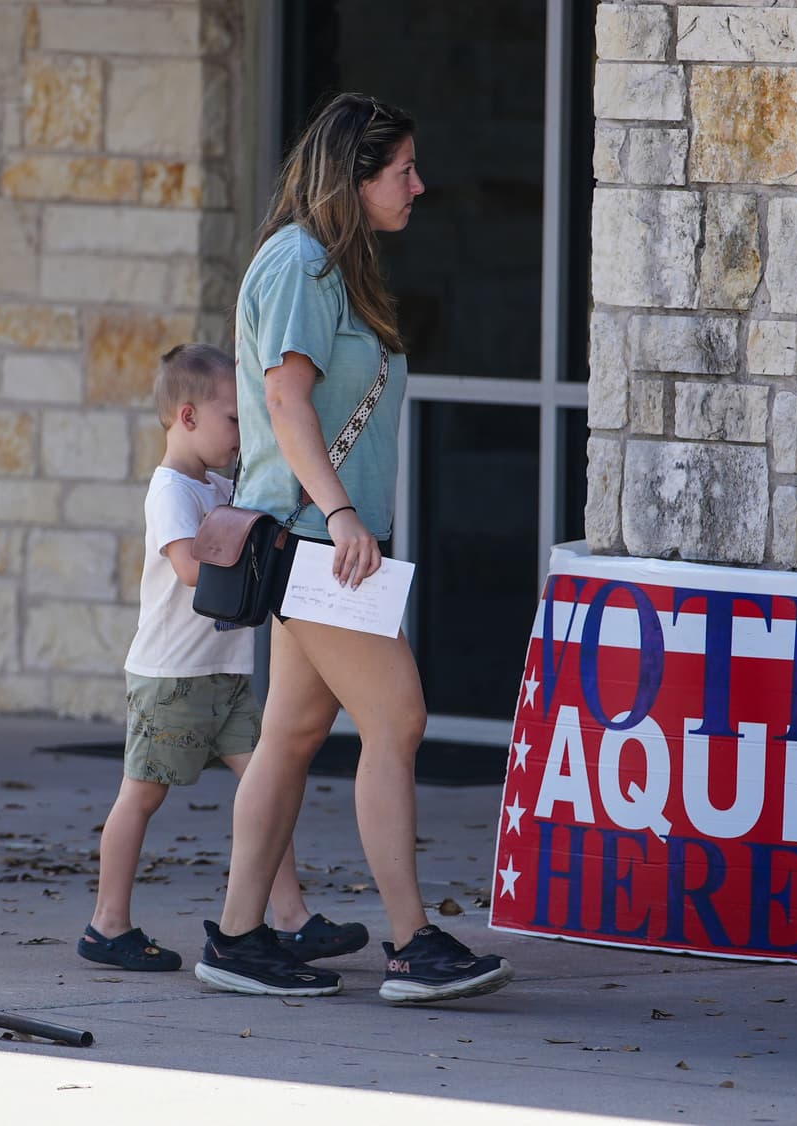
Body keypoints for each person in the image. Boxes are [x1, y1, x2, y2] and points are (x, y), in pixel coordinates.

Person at [191, 93, 515, 1003]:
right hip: (312, 542)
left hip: (319, 543)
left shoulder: (333, 264)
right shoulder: (299, 262)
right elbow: (287, 405)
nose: (420, 184)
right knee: (398, 717)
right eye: (403, 169)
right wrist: (340, 516)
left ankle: (239, 937)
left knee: (292, 736)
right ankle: (412, 944)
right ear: (355, 175)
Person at [79, 343, 368, 973]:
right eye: (233, 421)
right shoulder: (172, 492)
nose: (241, 436)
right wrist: (247, 532)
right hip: (172, 678)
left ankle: (291, 919)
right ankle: (107, 924)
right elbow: (188, 568)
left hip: (228, 674)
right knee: (141, 797)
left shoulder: (216, 485)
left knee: (271, 783)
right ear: (187, 418)